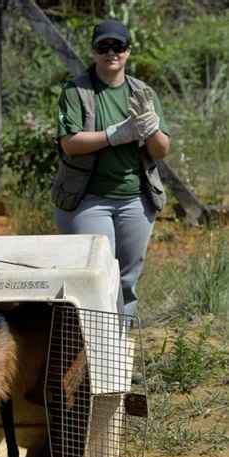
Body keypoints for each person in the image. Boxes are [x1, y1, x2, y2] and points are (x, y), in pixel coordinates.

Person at [52, 18, 170, 316]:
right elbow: (70, 143)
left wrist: (151, 129)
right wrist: (116, 135)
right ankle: (87, 351)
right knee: (93, 277)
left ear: (128, 51)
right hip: (88, 199)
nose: (111, 52)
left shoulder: (144, 93)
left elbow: (161, 150)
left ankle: (118, 348)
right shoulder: (76, 91)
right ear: (93, 52)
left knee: (127, 281)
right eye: (103, 46)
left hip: (135, 199)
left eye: (118, 46)